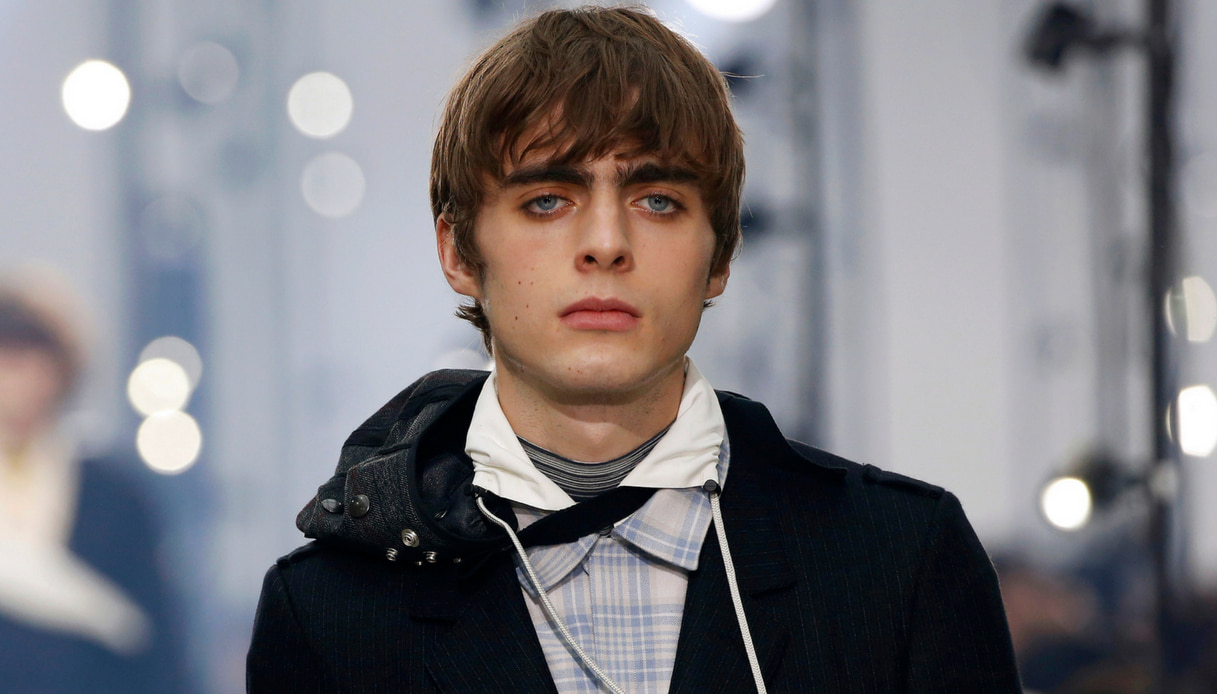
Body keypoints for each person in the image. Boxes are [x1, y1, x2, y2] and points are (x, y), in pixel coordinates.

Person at [247, 6, 1021, 692]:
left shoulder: (901, 563)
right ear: (458, 251)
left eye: (657, 200)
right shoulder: (330, 614)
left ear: (720, 255)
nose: (606, 242)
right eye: (546, 200)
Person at [0, 278, 191, 693]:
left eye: (34, 365)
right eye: (7, 364)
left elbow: (155, 635)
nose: (18, 385)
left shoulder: (114, 496)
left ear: (63, 374)